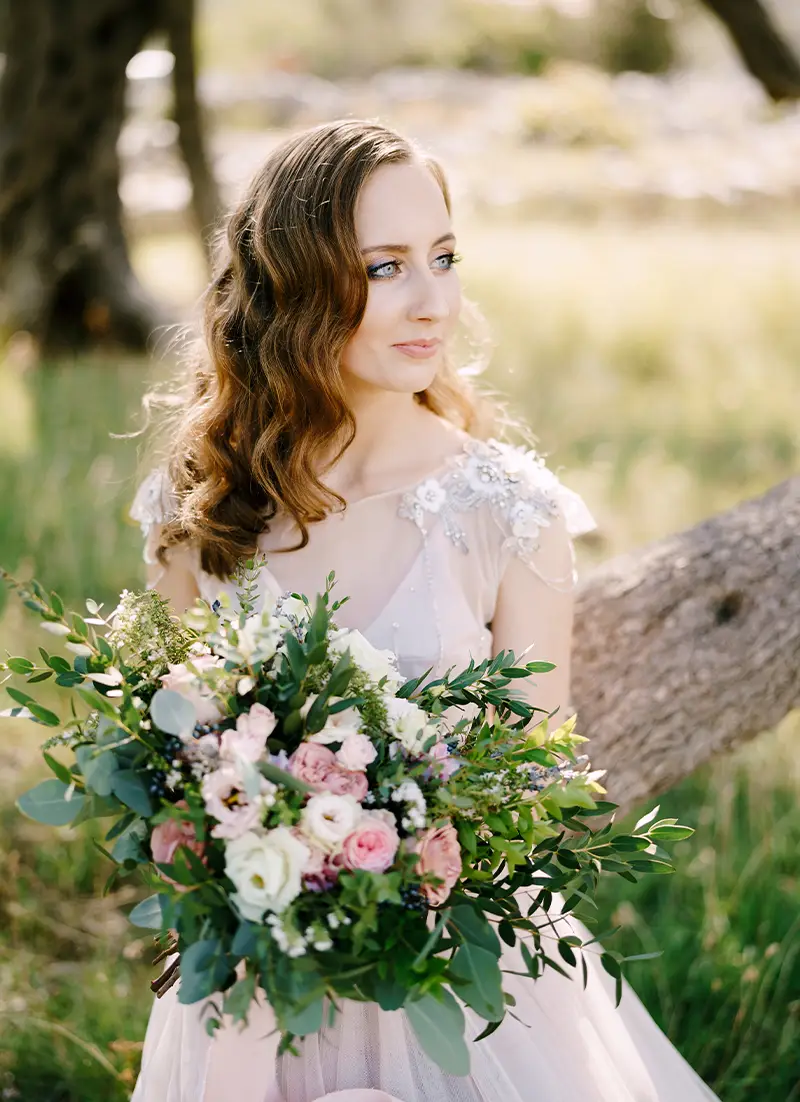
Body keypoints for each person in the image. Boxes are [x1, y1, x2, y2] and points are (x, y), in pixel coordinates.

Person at [129, 119, 718, 1102]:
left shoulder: (503, 511)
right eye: (386, 266)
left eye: (443, 257)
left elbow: (530, 784)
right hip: (249, 965)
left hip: (450, 970)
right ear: (298, 284)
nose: (432, 300)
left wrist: (369, 843)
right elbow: (176, 752)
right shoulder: (203, 506)